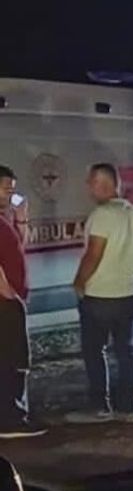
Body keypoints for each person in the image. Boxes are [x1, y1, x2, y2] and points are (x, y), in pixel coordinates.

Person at [66, 164, 133, 424]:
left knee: (95, 351)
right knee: (128, 351)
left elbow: (94, 253)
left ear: (100, 183)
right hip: (130, 293)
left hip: (101, 295)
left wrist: (79, 282)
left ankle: (99, 407)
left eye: (90, 181)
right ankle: (129, 408)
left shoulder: (102, 214)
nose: (88, 186)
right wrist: (131, 275)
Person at [0, 165, 46, 438]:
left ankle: (11, 414)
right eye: (6, 188)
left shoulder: (4, 220)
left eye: (12, 189)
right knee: (13, 359)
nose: (10, 194)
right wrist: (9, 295)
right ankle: (12, 419)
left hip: (8, 300)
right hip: (5, 304)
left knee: (10, 358)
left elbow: (18, 248)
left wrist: (21, 219)